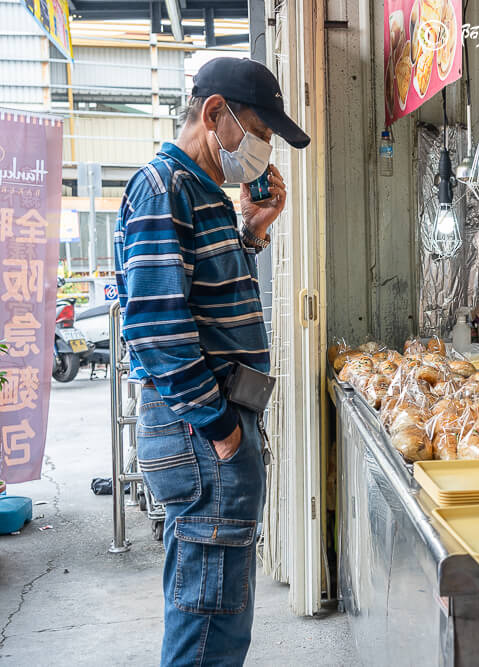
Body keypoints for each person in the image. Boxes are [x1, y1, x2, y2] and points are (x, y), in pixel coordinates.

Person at [113, 58, 309, 666]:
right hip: (202, 433)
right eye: (260, 130)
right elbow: (155, 326)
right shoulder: (162, 187)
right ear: (215, 114)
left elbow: (200, 292)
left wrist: (251, 230)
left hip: (214, 426)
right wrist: (221, 429)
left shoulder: (203, 193)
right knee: (208, 626)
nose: (265, 146)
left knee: (217, 609)